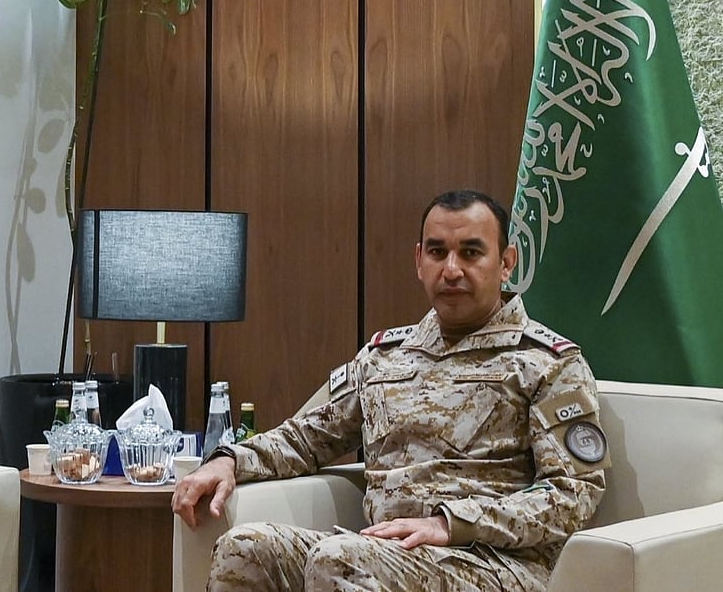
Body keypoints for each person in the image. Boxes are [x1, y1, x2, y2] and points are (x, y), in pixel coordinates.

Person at [172, 189, 610, 591]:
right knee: (245, 548)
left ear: (506, 262)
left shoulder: (549, 363)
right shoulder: (385, 357)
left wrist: (451, 523)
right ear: (419, 261)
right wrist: (230, 460)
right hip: (381, 554)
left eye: (471, 252)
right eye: (437, 252)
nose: (451, 269)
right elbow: (307, 437)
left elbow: (573, 493)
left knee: (340, 559)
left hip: (493, 564)